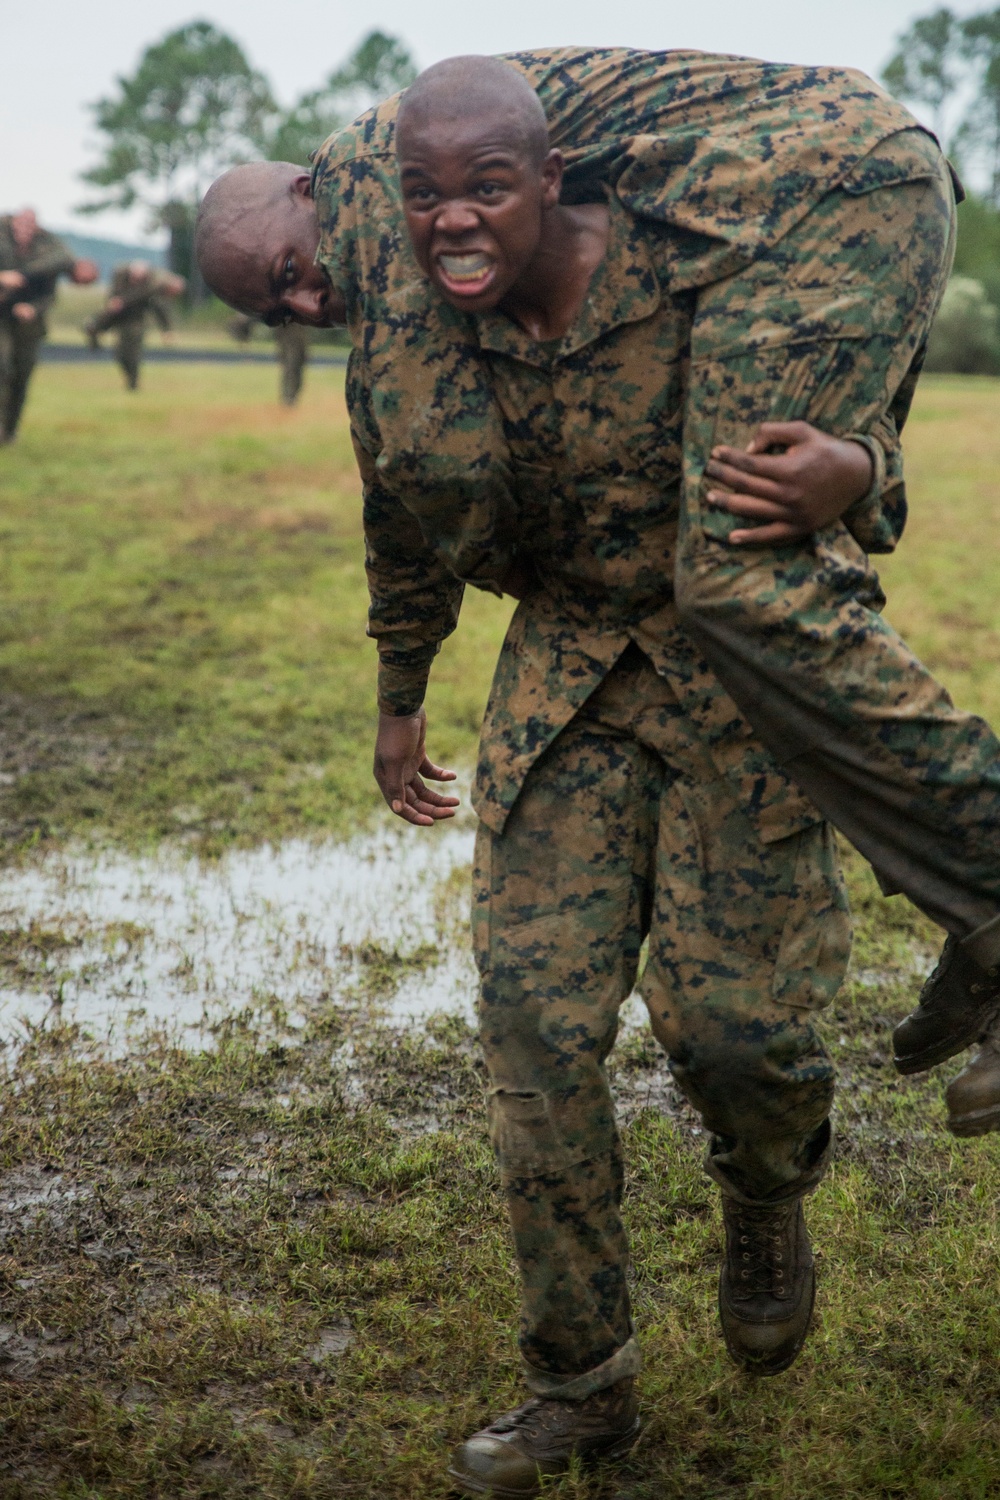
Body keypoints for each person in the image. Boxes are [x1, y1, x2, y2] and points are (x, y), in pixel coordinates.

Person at [195, 47, 1000, 1109]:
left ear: (308, 191)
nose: (305, 304)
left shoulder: (373, 179)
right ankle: (982, 927)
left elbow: (423, 467)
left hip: (840, 186)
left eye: (290, 270)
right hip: (826, 191)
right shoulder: (436, 214)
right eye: (274, 312)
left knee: (742, 584)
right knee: (757, 547)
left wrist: (467, 573)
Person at [0, 208, 97, 442]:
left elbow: (52, 292)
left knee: (21, 375)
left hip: (29, 323)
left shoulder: (49, 250)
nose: (23, 230)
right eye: (19, 225)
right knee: (2, 367)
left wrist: (33, 307)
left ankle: (10, 431)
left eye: (29, 226)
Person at [85, 261, 185, 390]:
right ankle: (94, 335)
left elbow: (159, 309)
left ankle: (133, 382)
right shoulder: (120, 275)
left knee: (132, 352)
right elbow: (113, 298)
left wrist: (166, 330)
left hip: (136, 318)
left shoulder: (152, 285)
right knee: (118, 352)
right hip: (119, 314)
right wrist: (114, 303)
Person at [229, 312, 310, 404]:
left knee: (295, 364)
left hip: (295, 336)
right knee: (291, 365)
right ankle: (289, 397)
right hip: (289, 337)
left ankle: (290, 397)